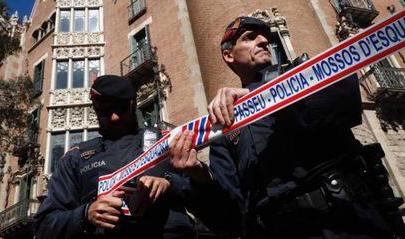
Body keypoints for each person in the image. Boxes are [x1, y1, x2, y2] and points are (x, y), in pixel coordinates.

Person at [169, 16, 404, 238]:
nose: (263, 41)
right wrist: (199, 179)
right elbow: (230, 222)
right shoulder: (226, 130)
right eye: (250, 37)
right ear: (229, 55)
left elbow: (345, 101)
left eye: (265, 38)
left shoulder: (303, 75)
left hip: (348, 224)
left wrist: (260, 96)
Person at [34, 75, 194, 239]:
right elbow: (43, 227)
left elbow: (209, 193)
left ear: (133, 103)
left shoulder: (168, 141)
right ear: (95, 110)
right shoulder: (76, 158)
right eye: (105, 111)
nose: (115, 117)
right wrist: (86, 214)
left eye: (121, 107)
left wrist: (171, 183)